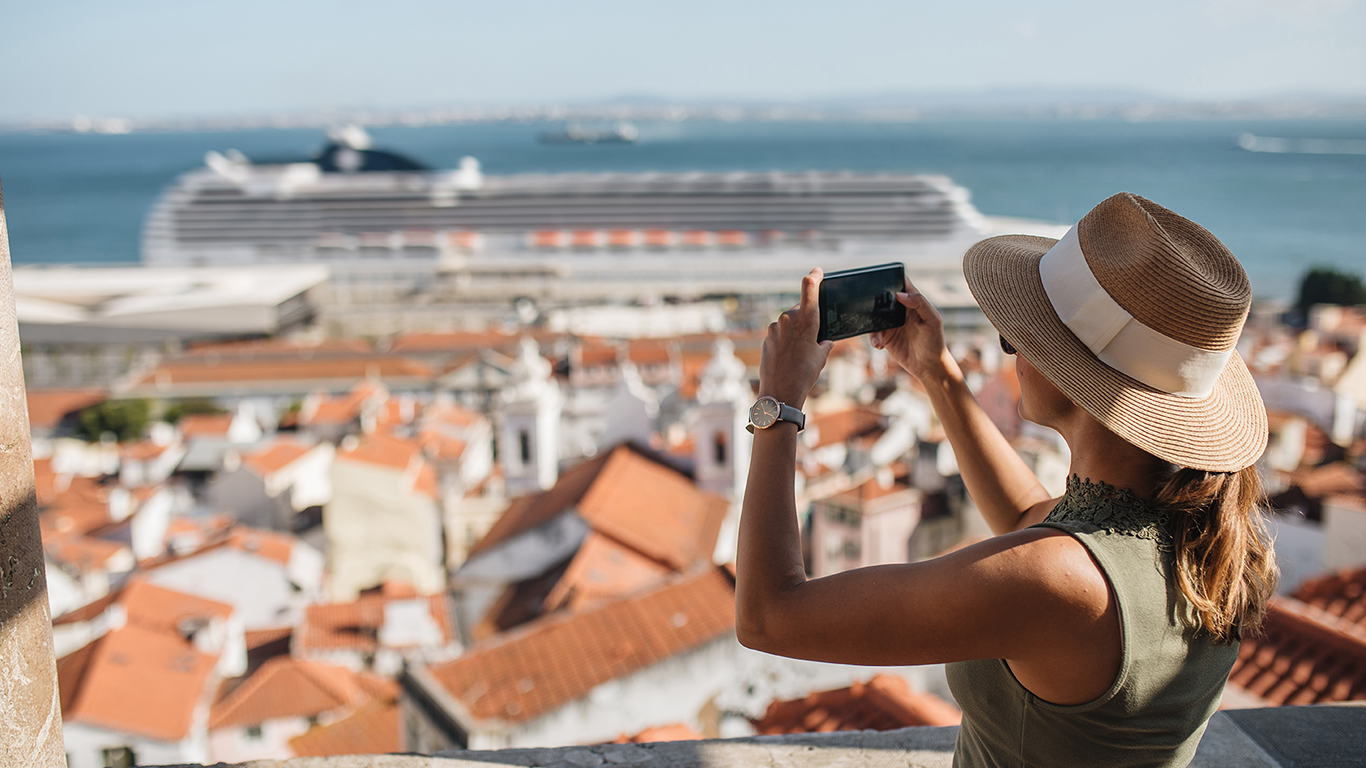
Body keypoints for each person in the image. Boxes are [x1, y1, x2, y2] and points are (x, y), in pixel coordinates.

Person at [735, 192, 1278, 767]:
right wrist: (936, 373)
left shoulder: (1059, 583)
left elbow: (769, 617)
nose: (1011, 349)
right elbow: (1026, 519)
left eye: (1020, 334)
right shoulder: (1195, 537)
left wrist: (779, 401)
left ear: (1074, 374)